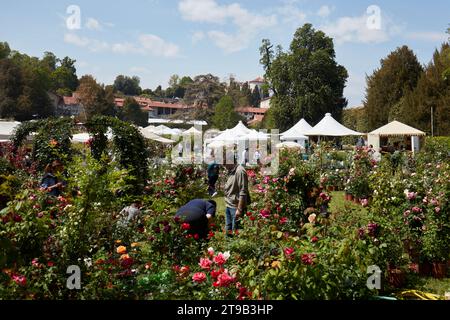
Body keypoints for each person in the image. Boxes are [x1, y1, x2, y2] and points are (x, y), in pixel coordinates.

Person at [223, 162, 249, 236]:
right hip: (229, 205)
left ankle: (237, 247)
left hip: (236, 207)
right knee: (228, 229)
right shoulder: (231, 170)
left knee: (237, 231)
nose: (223, 166)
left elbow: (243, 191)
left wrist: (239, 209)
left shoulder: (240, 171)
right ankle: (228, 246)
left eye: (225, 163)